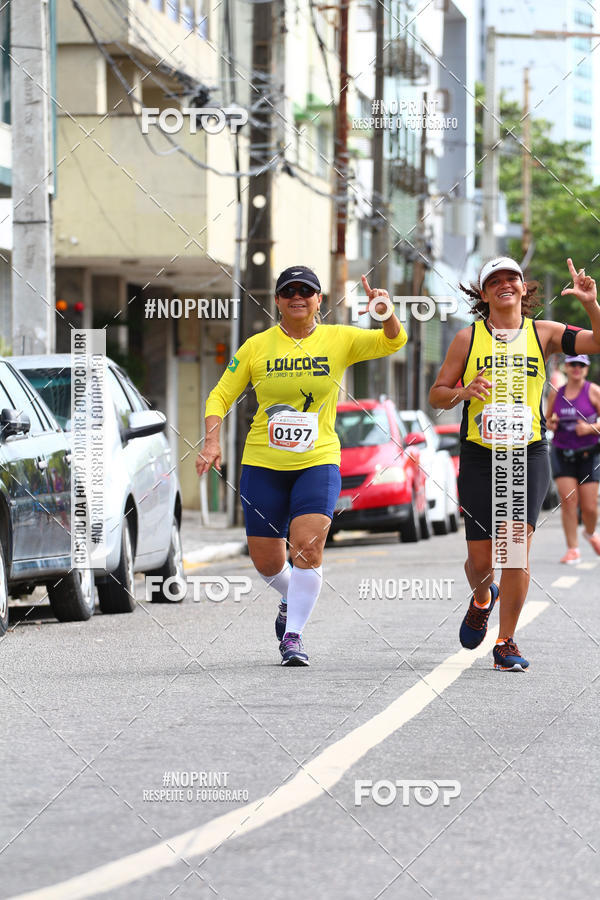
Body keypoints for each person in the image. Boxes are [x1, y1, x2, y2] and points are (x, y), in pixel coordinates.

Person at [196, 266, 407, 666]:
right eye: (289, 291)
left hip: (318, 459)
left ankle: (293, 636)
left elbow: (393, 342)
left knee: (308, 547)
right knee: (267, 561)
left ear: (319, 300)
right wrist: (211, 440)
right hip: (262, 463)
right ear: (277, 301)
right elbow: (220, 395)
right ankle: (291, 597)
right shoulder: (257, 346)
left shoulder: (339, 338)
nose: (298, 296)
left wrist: (384, 311)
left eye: (306, 290)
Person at [429, 257, 600, 671]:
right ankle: (483, 597)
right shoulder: (467, 340)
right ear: (484, 293)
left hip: (527, 452)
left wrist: (591, 304)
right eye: (495, 281)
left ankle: (505, 642)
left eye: (512, 278)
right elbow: (436, 394)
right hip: (479, 454)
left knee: (515, 549)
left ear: (524, 289)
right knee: (482, 562)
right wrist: (463, 392)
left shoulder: (544, 333)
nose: (505, 284)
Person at [546, 354, 600, 564]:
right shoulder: (557, 393)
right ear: (566, 367)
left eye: (581, 365)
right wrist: (552, 423)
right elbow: (548, 420)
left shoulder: (593, 391)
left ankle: (590, 532)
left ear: (586, 369)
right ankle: (573, 548)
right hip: (562, 452)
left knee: (589, 506)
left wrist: (589, 427)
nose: (576, 368)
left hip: (588, 453)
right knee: (568, 501)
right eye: (572, 364)